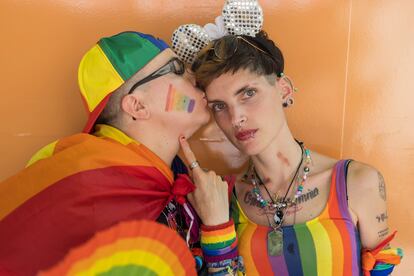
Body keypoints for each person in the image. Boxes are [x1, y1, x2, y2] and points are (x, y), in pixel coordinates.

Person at [172, 1, 403, 275]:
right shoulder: (223, 201)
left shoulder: (357, 182)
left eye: (248, 93)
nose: (236, 118)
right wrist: (216, 228)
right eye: (220, 106)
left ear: (283, 89)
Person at [0, 31, 225, 275]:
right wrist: (219, 230)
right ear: (137, 106)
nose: (195, 78)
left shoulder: (175, 178)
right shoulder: (87, 184)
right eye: (177, 69)